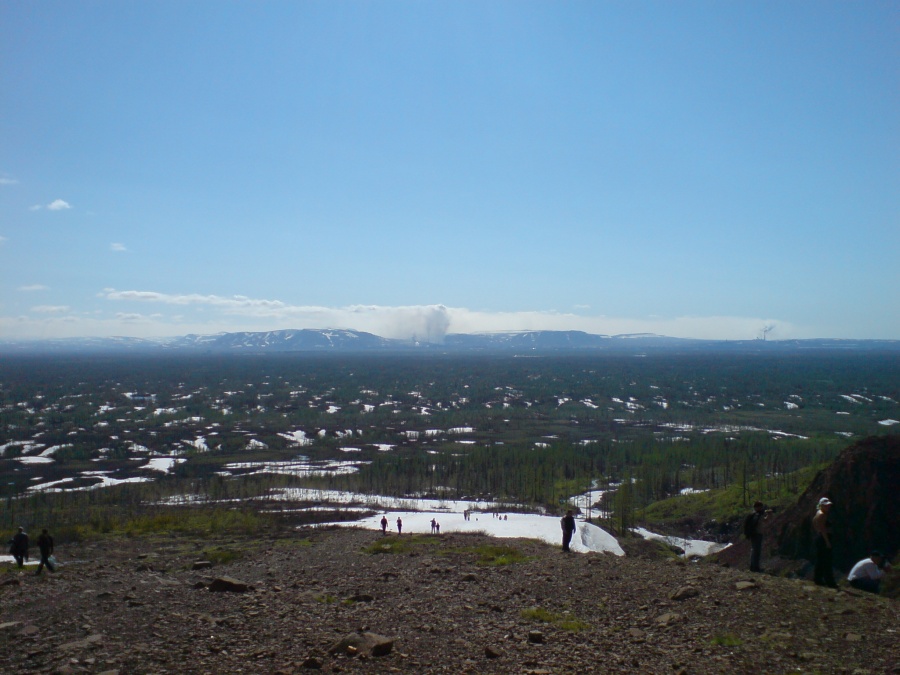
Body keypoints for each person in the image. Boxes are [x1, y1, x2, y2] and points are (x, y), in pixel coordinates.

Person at [812, 497, 837, 588]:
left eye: (828, 505)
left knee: (820, 559)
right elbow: (823, 529)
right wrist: (827, 542)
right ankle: (829, 581)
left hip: (820, 538)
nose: (828, 507)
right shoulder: (822, 515)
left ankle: (818, 578)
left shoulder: (817, 514)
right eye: (826, 505)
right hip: (824, 538)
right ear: (821, 505)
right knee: (827, 560)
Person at [744, 501, 768, 572]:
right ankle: (755, 567)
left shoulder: (754, 515)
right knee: (756, 551)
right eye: (760, 506)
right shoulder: (757, 515)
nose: (762, 508)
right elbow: (760, 522)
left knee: (754, 550)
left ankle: (753, 566)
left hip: (755, 534)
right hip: (756, 534)